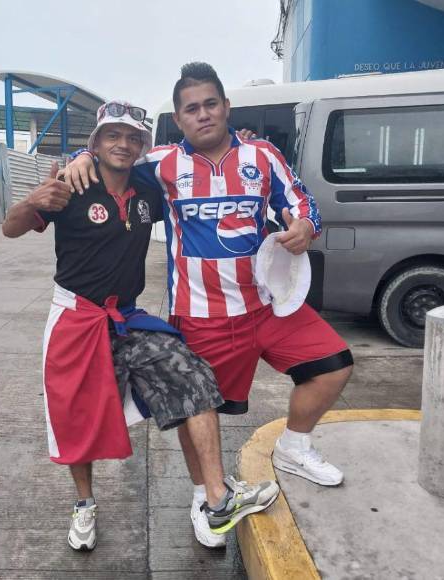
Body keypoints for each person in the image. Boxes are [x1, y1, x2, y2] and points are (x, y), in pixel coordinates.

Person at [62, 64, 355, 548]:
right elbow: (109, 157)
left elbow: (301, 202)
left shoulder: (260, 154)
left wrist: (304, 226)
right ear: (179, 119)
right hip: (201, 316)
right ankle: (205, 498)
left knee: (333, 366)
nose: (203, 115)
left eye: (210, 104)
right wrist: (77, 155)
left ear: (226, 107)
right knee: (198, 408)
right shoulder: (160, 163)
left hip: (266, 305)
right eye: (191, 109)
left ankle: (294, 446)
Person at [2, 100, 279, 552]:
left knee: (193, 376)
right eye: (112, 135)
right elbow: (9, 229)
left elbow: (192, 159)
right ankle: (84, 503)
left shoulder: (149, 186)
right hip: (76, 317)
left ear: (142, 147)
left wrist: (242, 145)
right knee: (79, 416)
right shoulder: (72, 185)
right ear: (96, 142)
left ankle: (217, 498)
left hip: (128, 316)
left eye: (133, 138)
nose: (123, 145)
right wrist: (33, 199)